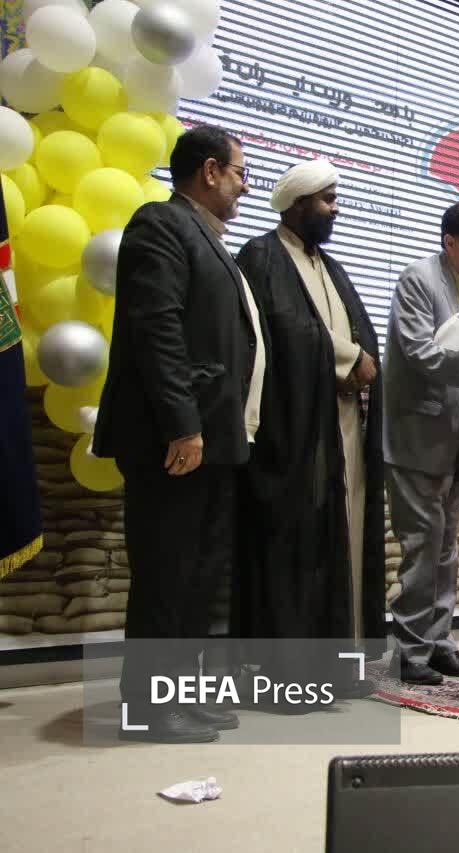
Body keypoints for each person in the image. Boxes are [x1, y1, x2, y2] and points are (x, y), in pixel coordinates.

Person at [94, 125, 260, 742]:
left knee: (197, 579)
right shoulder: (161, 224)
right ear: (210, 171)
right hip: (174, 440)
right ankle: (147, 707)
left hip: (213, 440)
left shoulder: (207, 236)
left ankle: (180, 696)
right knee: (166, 575)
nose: (244, 187)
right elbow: (157, 329)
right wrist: (183, 425)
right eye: (239, 173)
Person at [233, 160, 385, 700]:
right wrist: (348, 359)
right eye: (327, 199)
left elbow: (358, 330)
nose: (335, 209)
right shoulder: (261, 256)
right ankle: (290, 678)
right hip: (292, 437)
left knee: (348, 544)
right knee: (294, 550)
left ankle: (341, 667)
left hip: (342, 429)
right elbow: (280, 332)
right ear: (298, 204)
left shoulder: (330, 265)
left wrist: (363, 358)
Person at [383, 202, 459, 685]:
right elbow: (420, 352)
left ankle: (439, 643)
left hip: (456, 439)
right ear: (449, 242)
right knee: (422, 549)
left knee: (446, 550)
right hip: (417, 436)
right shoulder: (418, 279)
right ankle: (410, 652)